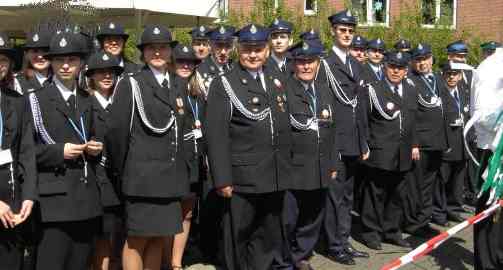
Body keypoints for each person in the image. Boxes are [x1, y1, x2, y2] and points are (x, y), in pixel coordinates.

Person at [205, 23, 293, 270]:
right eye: (247, 49)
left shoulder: (277, 79)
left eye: (258, 49)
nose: (253, 54)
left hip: (274, 174)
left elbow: (283, 125)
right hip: (242, 178)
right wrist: (222, 179)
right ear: (238, 50)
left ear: (266, 50)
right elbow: (217, 136)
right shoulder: (224, 83)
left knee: (268, 237)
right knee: (239, 238)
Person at [105, 25, 189, 270]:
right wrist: (126, 170)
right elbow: (116, 134)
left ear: (170, 51)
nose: (158, 52)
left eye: (163, 47)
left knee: (158, 239)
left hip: (169, 179)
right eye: (151, 48)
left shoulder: (176, 84)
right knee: (137, 240)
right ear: (143, 52)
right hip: (142, 179)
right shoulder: (132, 84)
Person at [28, 31, 104, 270]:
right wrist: (59, 152)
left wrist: (96, 148)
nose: (65, 65)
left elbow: (95, 136)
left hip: (85, 198)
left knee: (79, 263)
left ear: (81, 63)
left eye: (72, 59)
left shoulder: (87, 99)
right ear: (52, 62)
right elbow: (26, 152)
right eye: (60, 59)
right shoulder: (35, 100)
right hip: (54, 201)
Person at [283, 39, 341, 270]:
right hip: (295, 166)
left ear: (318, 64)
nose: (306, 66)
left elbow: (332, 130)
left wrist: (333, 162)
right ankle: (285, 259)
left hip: (320, 166)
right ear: (294, 64)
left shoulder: (324, 91)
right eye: (302, 62)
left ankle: (301, 256)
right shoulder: (284, 90)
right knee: (288, 218)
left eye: (311, 62)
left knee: (314, 215)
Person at [322, 9, 369, 265]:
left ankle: (344, 239)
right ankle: (333, 245)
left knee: (347, 196)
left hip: (353, 141)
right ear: (333, 31)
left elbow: (360, 107)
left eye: (351, 31)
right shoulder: (325, 63)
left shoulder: (356, 65)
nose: (347, 34)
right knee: (334, 196)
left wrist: (364, 142)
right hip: (335, 142)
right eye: (343, 30)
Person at [360, 51, 418, 250]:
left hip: (403, 152)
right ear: (385, 67)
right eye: (392, 66)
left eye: (400, 68)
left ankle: (392, 231)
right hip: (381, 151)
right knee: (375, 194)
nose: (395, 71)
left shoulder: (411, 90)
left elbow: (413, 121)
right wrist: (365, 146)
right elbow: (364, 121)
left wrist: (415, 145)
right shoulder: (373, 90)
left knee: (397, 194)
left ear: (406, 70)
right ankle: (371, 232)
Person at [0, 31, 37, 270]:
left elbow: (26, 150)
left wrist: (29, 195)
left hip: (12, 199)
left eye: (3, 60)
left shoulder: (17, 100)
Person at [166, 44, 204, 270]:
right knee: (169, 215)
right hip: (172, 163)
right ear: (172, 64)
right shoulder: (167, 89)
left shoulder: (197, 92)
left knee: (187, 214)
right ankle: (164, 260)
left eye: (190, 62)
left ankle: (176, 262)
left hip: (194, 161)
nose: (186, 65)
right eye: (181, 61)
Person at [84, 51, 123, 270]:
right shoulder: (86, 103)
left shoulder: (120, 103)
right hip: (97, 179)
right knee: (102, 236)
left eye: (112, 72)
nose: (107, 76)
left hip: (120, 181)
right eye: (101, 73)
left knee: (118, 233)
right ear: (91, 76)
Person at [405, 43, 449, 235]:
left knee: (429, 185)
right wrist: (413, 143)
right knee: (416, 186)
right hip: (420, 144)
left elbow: (443, 111)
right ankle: (414, 223)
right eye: (418, 60)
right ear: (413, 62)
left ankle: (424, 219)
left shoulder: (437, 79)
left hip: (436, 142)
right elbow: (410, 116)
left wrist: (445, 141)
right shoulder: (410, 81)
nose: (422, 63)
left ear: (431, 59)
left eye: (425, 59)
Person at [471, 46, 503, 270]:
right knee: (491, 214)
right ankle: (487, 264)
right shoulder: (490, 68)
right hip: (495, 154)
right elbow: (481, 116)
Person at [432, 61, 472, 226]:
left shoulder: (464, 92)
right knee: (442, 181)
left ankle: (453, 209)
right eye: (448, 74)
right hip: (447, 144)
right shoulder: (438, 93)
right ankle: (439, 213)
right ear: (443, 75)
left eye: (455, 74)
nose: (451, 77)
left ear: (460, 76)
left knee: (457, 181)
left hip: (463, 145)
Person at [196, 25, 235, 97]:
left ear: (233, 47)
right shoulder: (199, 71)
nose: (223, 52)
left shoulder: (236, 68)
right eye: (219, 46)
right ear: (210, 45)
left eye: (228, 46)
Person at [14, 25, 53, 95]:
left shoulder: (61, 81)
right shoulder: (16, 83)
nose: (40, 56)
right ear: (26, 54)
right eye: (35, 51)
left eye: (45, 50)